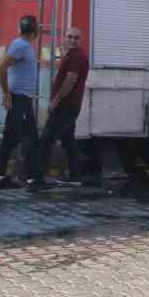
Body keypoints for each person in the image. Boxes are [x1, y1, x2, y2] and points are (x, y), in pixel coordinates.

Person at [0, 15, 44, 190]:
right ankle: (34, 180)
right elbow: (0, 66)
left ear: (19, 28)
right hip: (20, 99)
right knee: (30, 139)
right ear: (35, 30)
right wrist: (6, 92)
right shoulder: (21, 46)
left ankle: (0, 178)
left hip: (20, 98)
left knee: (9, 140)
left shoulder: (23, 45)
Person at [40, 26, 89, 186]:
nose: (73, 40)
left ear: (80, 40)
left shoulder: (76, 56)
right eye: (70, 37)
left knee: (47, 138)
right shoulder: (71, 55)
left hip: (66, 105)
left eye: (76, 38)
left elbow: (71, 80)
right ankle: (75, 176)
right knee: (68, 140)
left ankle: (37, 176)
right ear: (64, 38)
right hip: (69, 105)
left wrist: (56, 100)